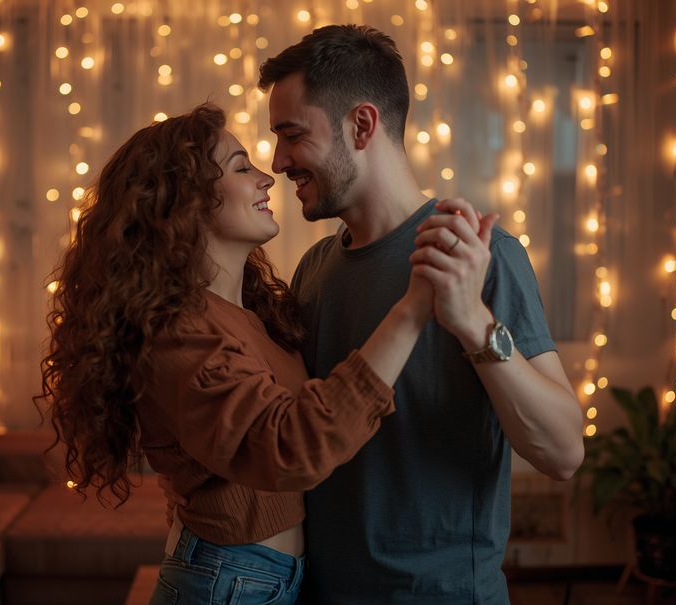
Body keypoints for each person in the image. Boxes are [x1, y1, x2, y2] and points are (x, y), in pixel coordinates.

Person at [162, 24, 585, 604]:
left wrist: (473, 323)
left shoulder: (477, 256)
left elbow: (563, 451)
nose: (279, 162)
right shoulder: (312, 271)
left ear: (361, 126)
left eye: (291, 135)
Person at [37, 103, 480, 604]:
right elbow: (288, 446)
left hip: (263, 577)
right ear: (183, 201)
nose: (267, 178)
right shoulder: (177, 330)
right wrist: (413, 307)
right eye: (241, 167)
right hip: (227, 582)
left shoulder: (258, 312)